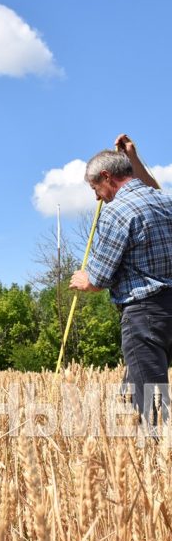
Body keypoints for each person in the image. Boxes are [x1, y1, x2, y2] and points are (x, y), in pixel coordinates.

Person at [69, 136, 172, 424]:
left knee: (150, 403)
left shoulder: (117, 212)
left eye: (95, 188)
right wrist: (134, 157)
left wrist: (82, 279)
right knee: (129, 399)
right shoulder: (165, 200)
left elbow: (99, 279)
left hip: (144, 316)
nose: (96, 197)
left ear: (106, 176)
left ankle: (156, 461)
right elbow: (150, 188)